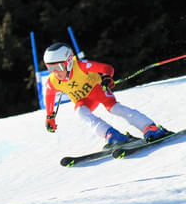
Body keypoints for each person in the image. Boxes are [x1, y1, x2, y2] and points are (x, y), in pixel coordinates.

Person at [43, 42, 171, 148]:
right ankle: (112, 135)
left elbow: (107, 68)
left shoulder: (81, 66)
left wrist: (106, 78)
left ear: (69, 61)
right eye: (50, 68)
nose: (56, 72)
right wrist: (50, 117)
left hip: (98, 90)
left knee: (114, 108)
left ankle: (150, 127)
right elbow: (49, 95)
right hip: (83, 100)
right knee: (80, 112)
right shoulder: (53, 81)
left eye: (59, 67)